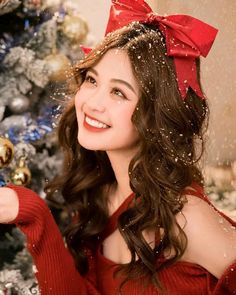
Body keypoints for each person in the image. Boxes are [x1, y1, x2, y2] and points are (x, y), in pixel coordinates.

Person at [1, 0, 236, 294]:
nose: (93, 103)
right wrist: (32, 212)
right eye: (91, 80)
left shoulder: (188, 218)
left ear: (155, 115)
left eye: (118, 92)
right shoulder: (100, 193)